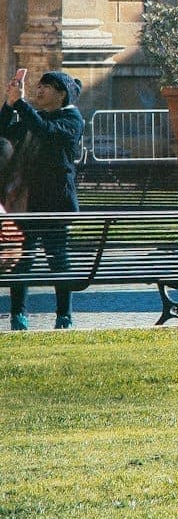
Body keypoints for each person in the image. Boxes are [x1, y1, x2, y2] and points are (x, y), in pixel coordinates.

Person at [3, 69, 84, 331]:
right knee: (23, 260)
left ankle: (64, 316)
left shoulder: (72, 118)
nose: (39, 90)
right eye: (38, 86)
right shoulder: (34, 117)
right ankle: (19, 316)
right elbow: (3, 130)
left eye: (46, 86)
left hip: (56, 202)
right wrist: (9, 103)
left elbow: (46, 132)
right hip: (29, 201)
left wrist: (21, 105)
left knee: (57, 259)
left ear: (61, 93)